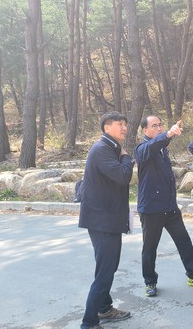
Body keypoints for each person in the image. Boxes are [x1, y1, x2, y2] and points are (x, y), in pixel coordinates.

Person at [135, 115, 193, 297]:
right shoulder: (142, 148)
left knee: (184, 242)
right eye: (154, 126)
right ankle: (150, 281)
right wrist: (169, 134)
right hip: (151, 209)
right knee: (149, 248)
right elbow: (152, 146)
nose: (159, 128)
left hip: (170, 207)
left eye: (160, 125)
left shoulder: (163, 150)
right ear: (145, 130)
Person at [79, 111, 134, 329]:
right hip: (102, 220)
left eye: (125, 124)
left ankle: (104, 308)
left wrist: (122, 155)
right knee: (105, 272)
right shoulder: (103, 149)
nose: (124, 128)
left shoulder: (109, 148)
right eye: (119, 124)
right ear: (106, 128)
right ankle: (89, 322)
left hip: (106, 218)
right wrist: (126, 156)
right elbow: (123, 176)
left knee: (106, 268)